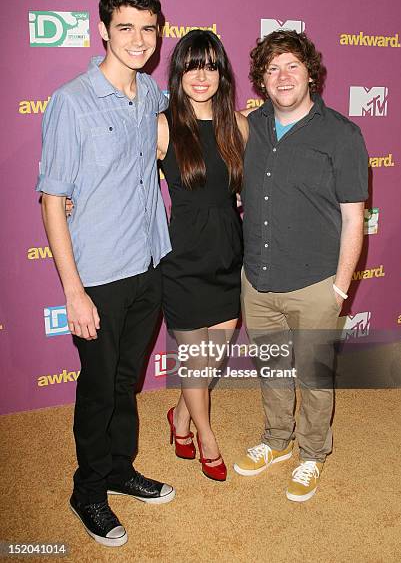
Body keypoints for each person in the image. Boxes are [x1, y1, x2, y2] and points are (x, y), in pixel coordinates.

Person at [36, 0, 175, 547]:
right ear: (103, 31)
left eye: (148, 29)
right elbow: (52, 198)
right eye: (126, 28)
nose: (139, 40)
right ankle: (88, 489)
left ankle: (120, 468)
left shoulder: (152, 96)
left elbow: (180, 135)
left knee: (125, 380)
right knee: (98, 386)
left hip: (149, 264)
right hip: (99, 274)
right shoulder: (71, 101)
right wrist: (73, 291)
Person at [234, 30, 368, 501]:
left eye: (292, 65)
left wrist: (339, 288)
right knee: (271, 369)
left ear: (310, 72)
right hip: (258, 279)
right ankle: (276, 440)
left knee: (313, 377)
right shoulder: (250, 127)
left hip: (316, 283)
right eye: (271, 69)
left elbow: (354, 218)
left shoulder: (343, 134)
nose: (282, 76)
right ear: (261, 81)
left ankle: (312, 453)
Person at [157, 29, 248, 481]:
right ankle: (205, 438)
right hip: (182, 260)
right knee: (195, 362)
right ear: (178, 73)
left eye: (210, 65)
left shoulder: (240, 125)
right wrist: (73, 199)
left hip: (230, 255)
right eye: (192, 65)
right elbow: (120, 177)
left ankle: (179, 417)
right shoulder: (162, 126)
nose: (201, 75)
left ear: (222, 73)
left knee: (207, 362)